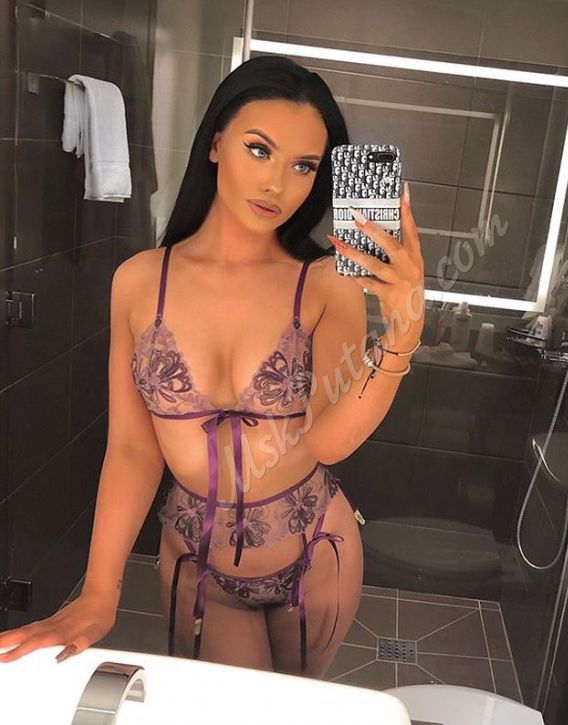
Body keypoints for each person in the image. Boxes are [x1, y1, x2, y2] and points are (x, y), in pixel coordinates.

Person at [0, 55, 424, 678]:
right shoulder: (139, 281)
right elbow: (132, 449)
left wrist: (404, 333)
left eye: (304, 166)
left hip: (316, 548)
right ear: (216, 144)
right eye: (260, 150)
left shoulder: (325, 283)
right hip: (197, 561)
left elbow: (329, 441)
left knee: (293, 716)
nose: (278, 184)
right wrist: (98, 591)